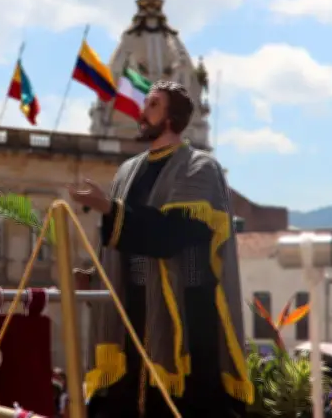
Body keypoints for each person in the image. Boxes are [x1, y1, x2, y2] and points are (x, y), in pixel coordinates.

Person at [69, 81, 252, 418]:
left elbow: (171, 236)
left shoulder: (199, 168)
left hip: (186, 313)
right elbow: (117, 245)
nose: (142, 112)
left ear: (171, 117)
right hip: (130, 311)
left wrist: (108, 208)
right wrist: (94, 276)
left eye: (153, 105)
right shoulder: (127, 171)